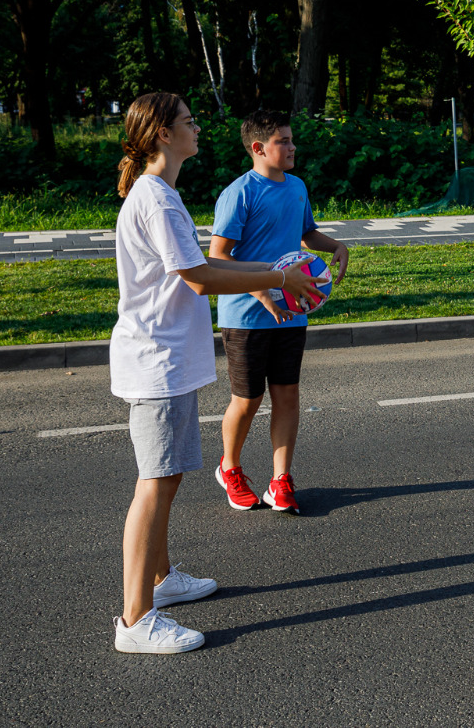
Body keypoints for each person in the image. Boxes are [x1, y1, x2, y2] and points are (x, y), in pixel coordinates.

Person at [110, 93, 322, 654]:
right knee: (154, 485)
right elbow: (201, 277)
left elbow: (207, 266)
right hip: (156, 361)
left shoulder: (162, 194)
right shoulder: (157, 200)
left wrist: (275, 273)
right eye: (187, 122)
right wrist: (278, 280)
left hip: (167, 361)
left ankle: (161, 578)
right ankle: (135, 620)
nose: (197, 128)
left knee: (168, 475)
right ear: (161, 135)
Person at [209, 110, 349, 514]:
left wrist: (334, 245)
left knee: (287, 396)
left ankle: (280, 479)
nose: (291, 147)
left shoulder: (297, 187)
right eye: (283, 141)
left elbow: (306, 232)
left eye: (291, 140)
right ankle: (229, 467)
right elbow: (219, 256)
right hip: (245, 316)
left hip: (294, 310)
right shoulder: (239, 192)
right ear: (258, 148)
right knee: (247, 399)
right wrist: (263, 289)